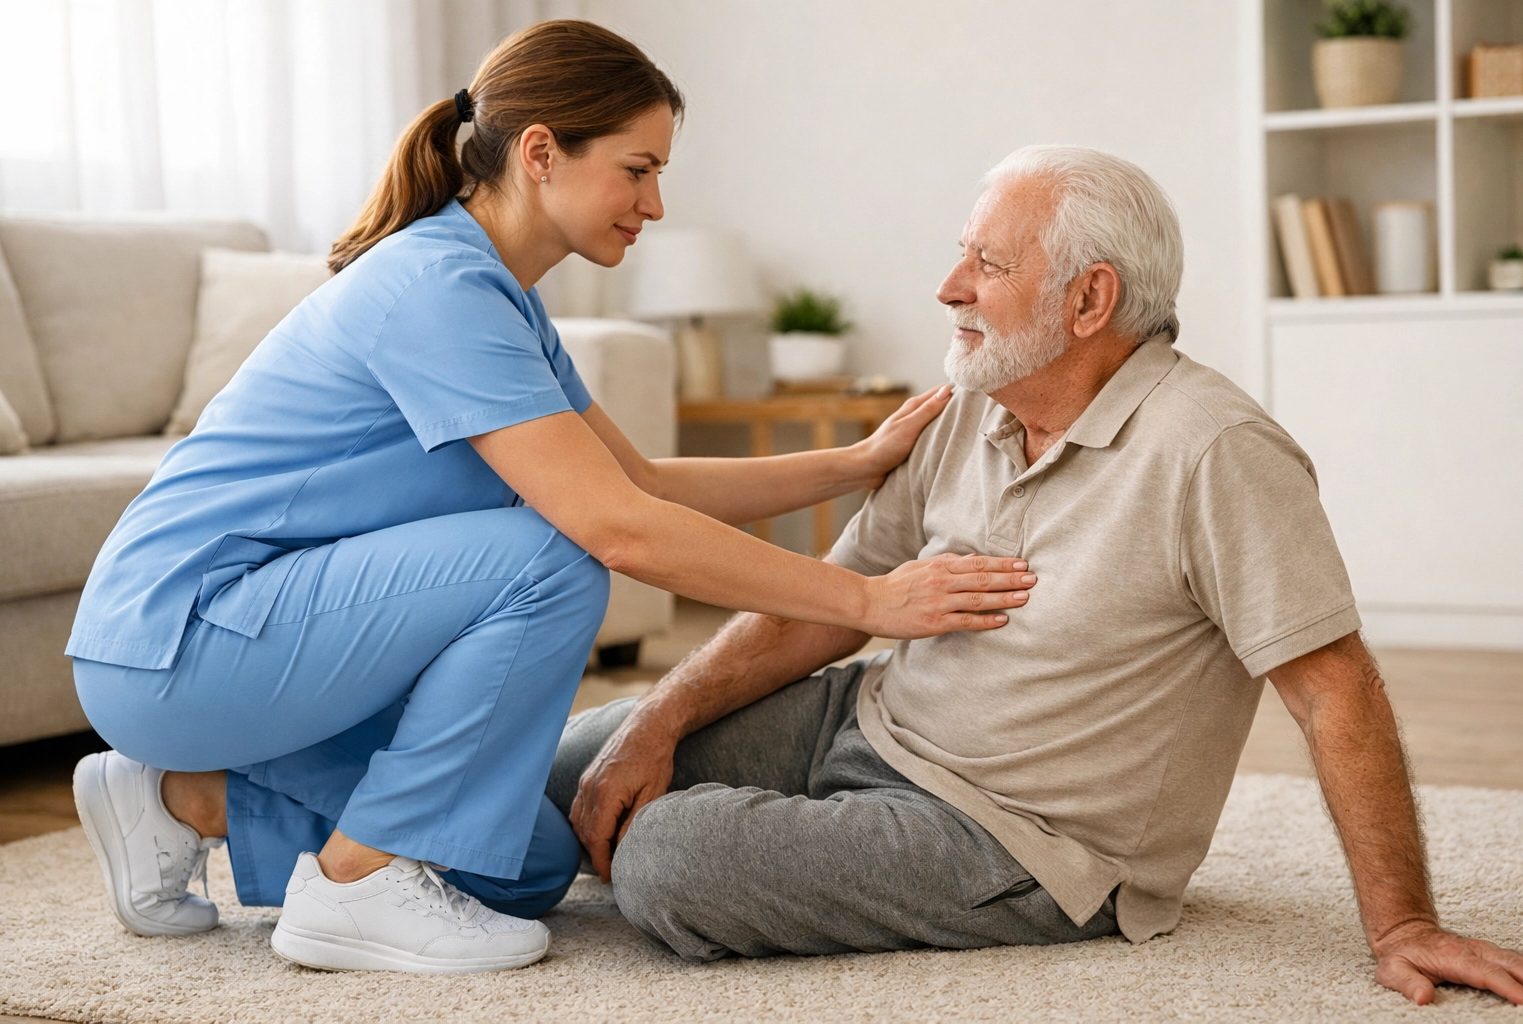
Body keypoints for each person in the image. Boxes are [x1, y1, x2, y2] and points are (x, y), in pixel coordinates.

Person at [66, 20, 1034, 976]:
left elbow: (640, 483)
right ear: (540, 153)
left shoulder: (502, 296)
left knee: (520, 866)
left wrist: (854, 463)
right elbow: (613, 525)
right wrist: (868, 602)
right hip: (179, 640)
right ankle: (354, 888)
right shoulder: (435, 286)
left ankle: (180, 797)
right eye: (637, 168)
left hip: (259, 647)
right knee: (557, 547)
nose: (654, 204)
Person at [549, 145, 1523, 1007]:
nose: (947, 286)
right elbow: (830, 606)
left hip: (1023, 837)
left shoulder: (1216, 452)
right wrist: (661, 719)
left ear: (1089, 299)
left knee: (672, 859)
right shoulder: (976, 400)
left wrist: (1405, 923)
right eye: (961, 252)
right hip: (874, 723)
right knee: (581, 755)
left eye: (988, 263)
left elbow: (1335, 692)